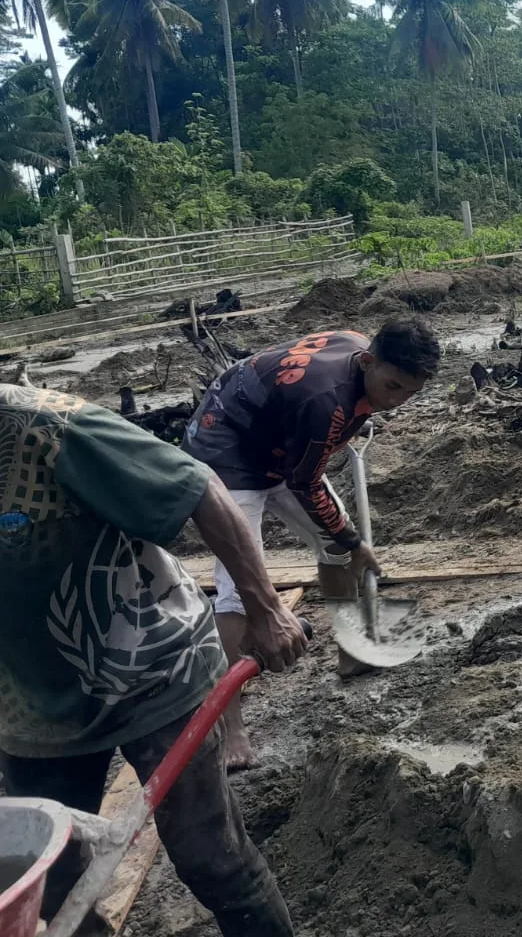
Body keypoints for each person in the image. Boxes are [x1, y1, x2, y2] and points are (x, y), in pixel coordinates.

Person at [0, 384, 308, 936]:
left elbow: (199, 486)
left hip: (151, 670)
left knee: (212, 858)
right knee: (46, 879)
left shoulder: (44, 426)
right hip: (27, 702)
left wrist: (264, 608)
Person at [182, 318, 441, 768]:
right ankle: (231, 728)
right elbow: (305, 483)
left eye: (410, 392)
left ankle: (351, 654)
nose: (396, 400)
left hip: (277, 442)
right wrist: (353, 541)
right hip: (225, 448)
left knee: (334, 546)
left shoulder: (358, 356)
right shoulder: (324, 401)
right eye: (392, 386)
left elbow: (306, 472)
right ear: (368, 361)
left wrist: (344, 542)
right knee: (240, 590)